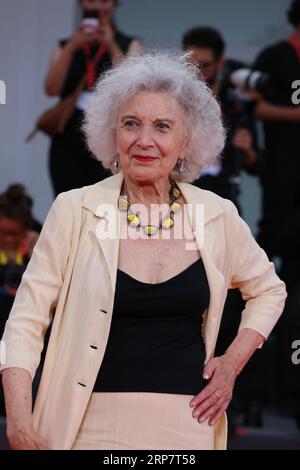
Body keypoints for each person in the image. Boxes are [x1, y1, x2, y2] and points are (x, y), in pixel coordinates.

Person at [0, 53, 286, 450]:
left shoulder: (216, 214)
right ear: (112, 133)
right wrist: (18, 419)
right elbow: (25, 322)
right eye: (130, 123)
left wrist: (230, 365)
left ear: (186, 141)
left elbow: (269, 290)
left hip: (190, 423)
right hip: (85, 424)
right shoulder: (74, 209)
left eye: (162, 127)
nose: (144, 140)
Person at [253, 0, 300, 427]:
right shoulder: (275, 57)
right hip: (283, 182)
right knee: (270, 283)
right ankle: (266, 385)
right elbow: (254, 107)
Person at [44, 0, 143, 196]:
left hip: (110, 132)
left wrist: (110, 44)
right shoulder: (65, 45)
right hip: (69, 133)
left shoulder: (129, 43)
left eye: (104, 1)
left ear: (114, 5)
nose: (97, 7)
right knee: (66, 199)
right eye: (91, 1)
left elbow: (134, 85)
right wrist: (73, 47)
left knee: (104, 199)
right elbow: (51, 89)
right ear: (81, 5)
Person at [182, 26, 260, 211]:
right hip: (180, 202)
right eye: (190, 64)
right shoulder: (171, 102)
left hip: (225, 201)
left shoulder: (236, 105)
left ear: (220, 63)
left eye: (205, 65)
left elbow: (257, 165)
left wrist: (247, 151)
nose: (196, 71)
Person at [0, 184, 39, 416]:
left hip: (27, 330)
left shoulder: (39, 241)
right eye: (2, 232)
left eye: (14, 234)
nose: (7, 238)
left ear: (25, 229)